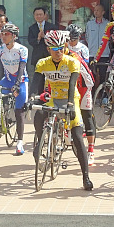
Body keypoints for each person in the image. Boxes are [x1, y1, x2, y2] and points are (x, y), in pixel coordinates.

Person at [30, 30, 93, 191]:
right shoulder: (43, 63)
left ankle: (85, 176)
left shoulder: (72, 62)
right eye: (54, 49)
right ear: (48, 49)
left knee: (78, 136)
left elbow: (73, 84)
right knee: (39, 114)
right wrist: (31, 98)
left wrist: (71, 105)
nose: (58, 52)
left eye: (61, 48)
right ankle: (40, 140)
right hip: (53, 99)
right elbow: (36, 81)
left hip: (71, 99)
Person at [0, 23, 29, 155]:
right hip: (7, 80)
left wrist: (18, 84)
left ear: (13, 36)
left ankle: (19, 142)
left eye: (6, 34)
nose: (3, 36)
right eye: (2, 34)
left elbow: (21, 68)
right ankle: (3, 113)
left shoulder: (22, 49)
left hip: (21, 80)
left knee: (19, 111)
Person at [65, 24, 96, 164]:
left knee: (87, 115)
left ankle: (91, 150)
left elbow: (84, 68)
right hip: (68, 83)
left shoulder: (83, 48)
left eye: (74, 39)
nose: (71, 42)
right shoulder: (63, 47)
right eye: (69, 39)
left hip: (83, 84)